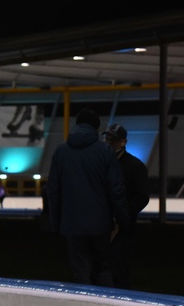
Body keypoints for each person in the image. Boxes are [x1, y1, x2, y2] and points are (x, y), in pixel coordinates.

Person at [46, 109, 129, 287]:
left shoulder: (60, 151)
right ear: (96, 128)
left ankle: (84, 303)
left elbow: (53, 190)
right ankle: (105, 302)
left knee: (80, 271)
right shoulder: (105, 151)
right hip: (101, 223)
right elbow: (116, 190)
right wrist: (123, 220)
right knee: (103, 268)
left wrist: (56, 223)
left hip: (71, 223)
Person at [102, 123, 149, 288]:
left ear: (123, 142)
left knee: (118, 270)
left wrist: (122, 216)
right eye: (107, 138)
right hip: (102, 224)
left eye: (112, 139)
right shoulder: (102, 162)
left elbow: (142, 197)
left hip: (121, 229)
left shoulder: (134, 166)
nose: (108, 142)